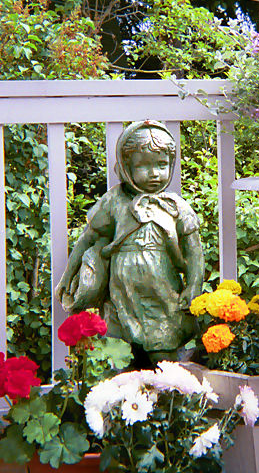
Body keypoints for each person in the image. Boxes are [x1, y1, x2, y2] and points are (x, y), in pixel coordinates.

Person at [55, 120, 204, 361]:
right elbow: (87, 239)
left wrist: (193, 285)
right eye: (143, 166)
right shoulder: (114, 201)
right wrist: (67, 277)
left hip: (162, 293)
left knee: (163, 352)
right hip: (121, 293)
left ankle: (168, 393)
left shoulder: (176, 206)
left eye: (162, 164)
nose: (154, 173)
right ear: (126, 167)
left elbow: (194, 250)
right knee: (120, 355)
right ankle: (125, 395)